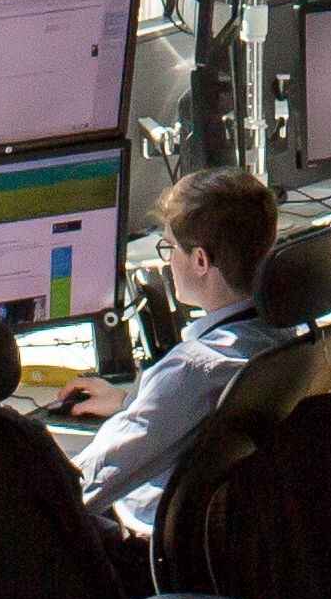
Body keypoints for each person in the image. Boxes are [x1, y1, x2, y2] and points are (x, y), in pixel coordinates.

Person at [51, 166, 287, 534]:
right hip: (239, 534)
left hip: (148, 544)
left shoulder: (193, 370)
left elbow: (80, 487)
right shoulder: (285, 333)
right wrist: (135, 402)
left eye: (170, 247)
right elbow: (186, 410)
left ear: (200, 261)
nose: (167, 261)